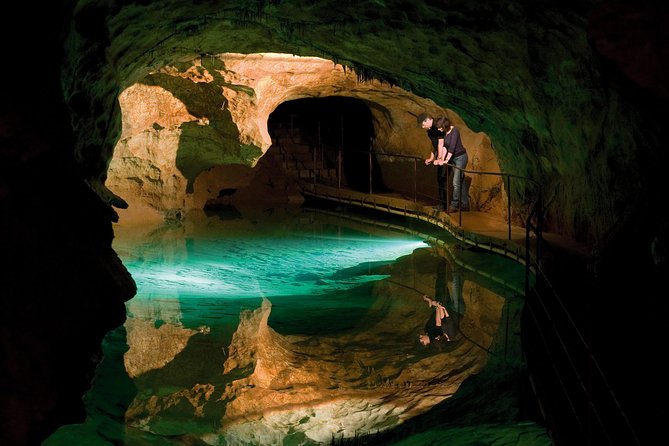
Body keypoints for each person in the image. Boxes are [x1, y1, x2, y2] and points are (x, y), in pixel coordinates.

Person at [418, 113, 470, 212]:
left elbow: (449, 147)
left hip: (459, 157)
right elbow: (440, 145)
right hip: (452, 157)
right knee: (460, 180)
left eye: (422, 124)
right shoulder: (439, 131)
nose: (439, 130)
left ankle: (453, 205)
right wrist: (435, 158)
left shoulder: (452, 131)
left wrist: (443, 159)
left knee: (454, 181)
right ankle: (464, 204)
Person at [418, 113, 448, 211]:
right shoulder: (429, 131)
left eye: (423, 124)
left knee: (442, 179)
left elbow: (441, 143)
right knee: (439, 179)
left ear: (427, 120)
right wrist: (431, 157)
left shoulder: (438, 125)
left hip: (446, 155)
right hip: (440, 157)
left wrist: (439, 158)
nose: (422, 127)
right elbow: (434, 144)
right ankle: (441, 204)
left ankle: (443, 205)